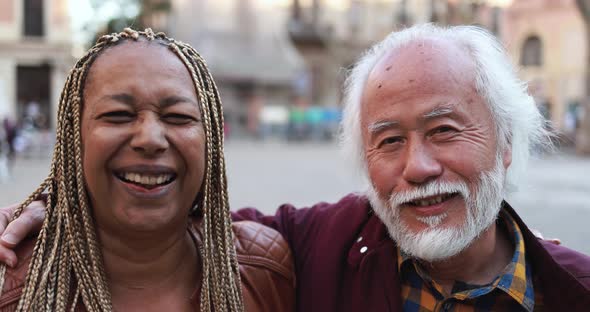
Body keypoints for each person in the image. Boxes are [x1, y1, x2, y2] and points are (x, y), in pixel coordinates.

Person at [1, 24, 589, 311]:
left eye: (444, 130)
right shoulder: (317, 248)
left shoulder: (573, 287)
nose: (418, 166)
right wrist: (55, 201)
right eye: (387, 141)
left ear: (507, 143)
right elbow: (172, 221)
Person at [0, 28, 294, 311]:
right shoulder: (10, 285)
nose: (150, 139)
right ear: (73, 139)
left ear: (211, 141)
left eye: (178, 117)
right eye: (118, 115)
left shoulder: (264, 271)